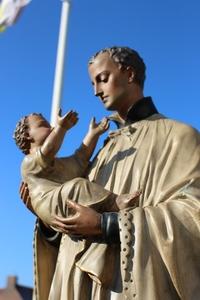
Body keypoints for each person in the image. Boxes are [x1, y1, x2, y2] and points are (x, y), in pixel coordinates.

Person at [20, 46, 200, 300]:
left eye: (102, 79)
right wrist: (51, 224)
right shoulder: (105, 150)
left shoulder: (179, 136)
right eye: (92, 82)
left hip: (126, 285)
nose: (95, 91)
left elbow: (192, 217)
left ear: (129, 74)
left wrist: (106, 225)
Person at [14, 110, 140, 229]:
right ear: (27, 135)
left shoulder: (57, 164)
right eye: (43, 125)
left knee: (76, 185)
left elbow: (80, 159)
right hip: (49, 203)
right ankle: (115, 203)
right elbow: (49, 149)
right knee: (78, 186)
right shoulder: (28, 163)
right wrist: (61, 127)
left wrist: (93, 134)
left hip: (63, 201)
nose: (51, 127)